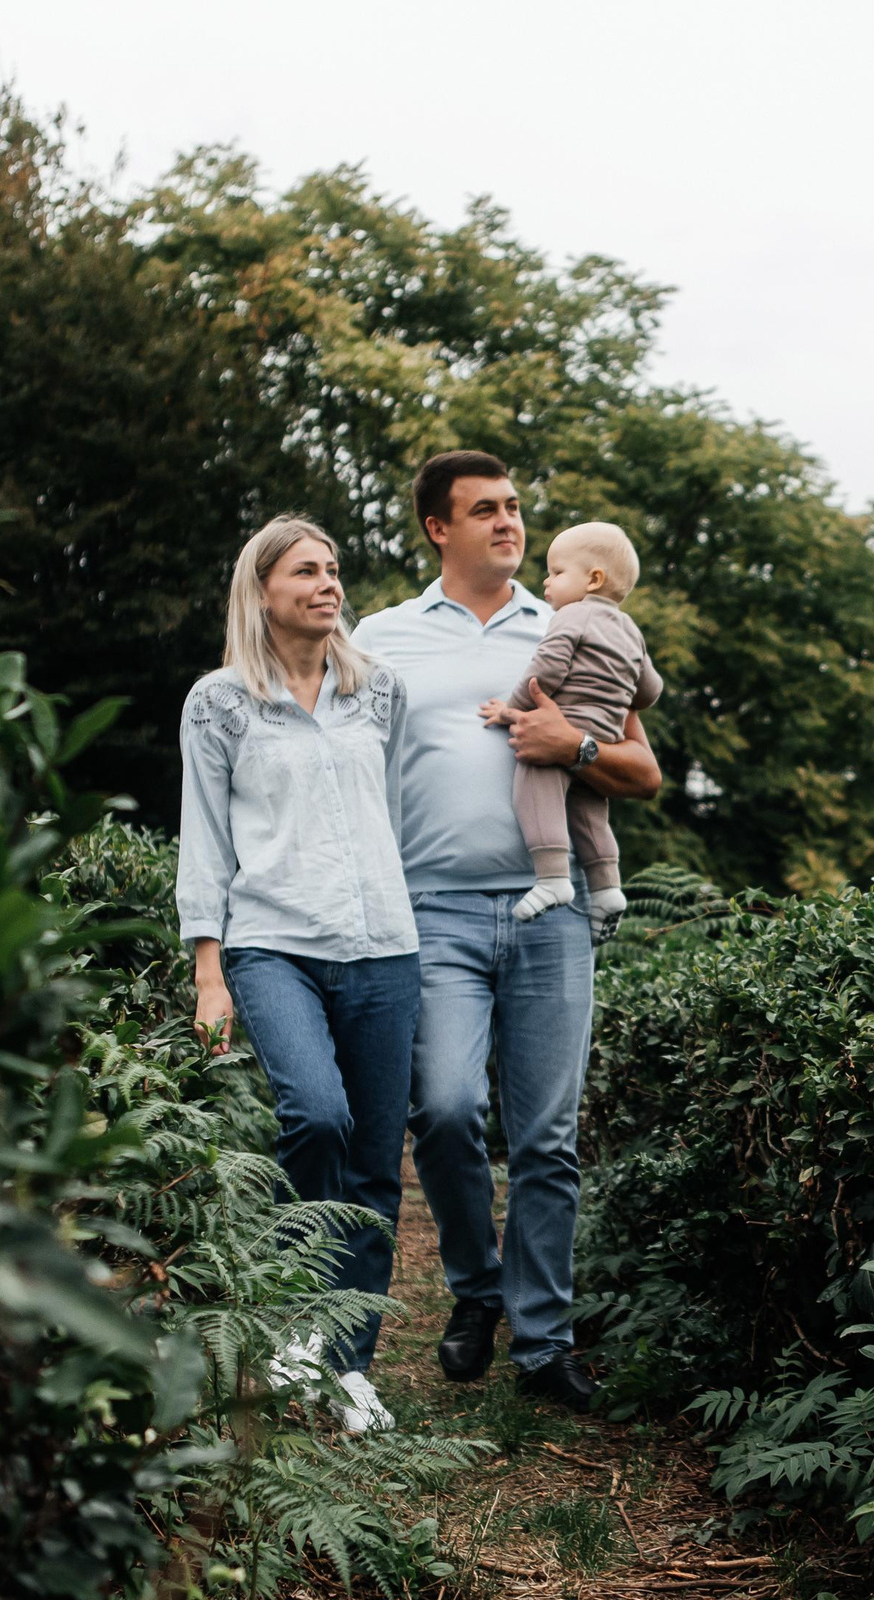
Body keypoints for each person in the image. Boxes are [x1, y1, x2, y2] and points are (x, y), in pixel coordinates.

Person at [350, 451, 663, 1413]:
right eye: (485, 510)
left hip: (552, 911)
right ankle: (476, 1289)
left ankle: (542, 1342)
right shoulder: (381, 635)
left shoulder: (572, 622)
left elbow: (640, 770)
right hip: (429, 910)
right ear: (439, 528)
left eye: (516, 506)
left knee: (547, 1139)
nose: (509, 523)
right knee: (442, 1112)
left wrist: (566, 742)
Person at [177, 515, 415, 1434]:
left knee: (375, 1166)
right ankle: (295, 1323)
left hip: (384, 947)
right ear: (262, 589)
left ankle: (349, 1366)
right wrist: (209, 967)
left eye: (334, 569)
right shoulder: (219, 703)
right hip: (272, 942)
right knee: (316, 1115)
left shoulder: (377, 692)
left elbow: (385, 817)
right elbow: (205, 833)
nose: (328, 583)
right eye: (307, 571)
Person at [491, 521, 662, 934]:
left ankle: (552, 879)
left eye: (556, 572)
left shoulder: (572, 616)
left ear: (593, 579)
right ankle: (607, 889)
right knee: (589, 813)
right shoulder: (631, 630)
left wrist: (510, 709)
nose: (546, 582)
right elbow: (650, 690)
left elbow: (545, 670)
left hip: (567, 725)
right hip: (606, 733)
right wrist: (620, 694)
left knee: (534, 781)